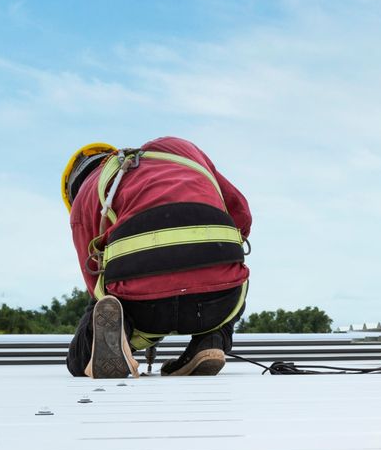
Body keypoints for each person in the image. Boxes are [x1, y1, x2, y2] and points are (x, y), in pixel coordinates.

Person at [58, 137, 252, 378]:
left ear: (72, 190)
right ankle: (211, 340)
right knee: (232, 270)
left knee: (83, 350)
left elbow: (95, 283)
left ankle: (115, 339)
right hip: (219, 298)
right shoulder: (179, 149)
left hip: (143, 305)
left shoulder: (86, 196)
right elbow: (241, 214)